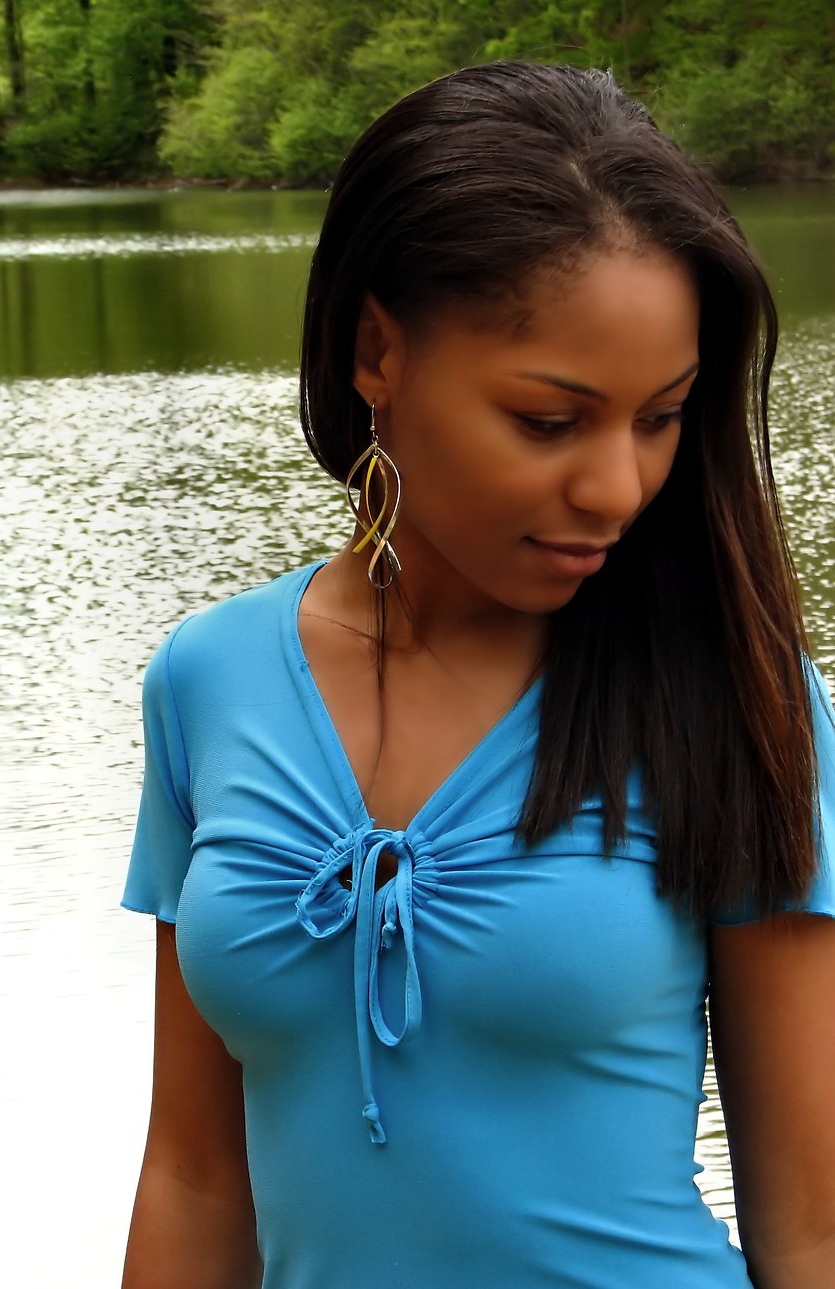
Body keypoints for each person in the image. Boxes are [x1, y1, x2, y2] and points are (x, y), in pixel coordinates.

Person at [120, 62, 835, 1289]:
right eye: (550, 422)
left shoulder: (730, 689)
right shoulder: (210, 676)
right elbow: (193, 1172)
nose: (616, 487)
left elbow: (813, 1225)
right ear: (375, 349)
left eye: (659, 417)